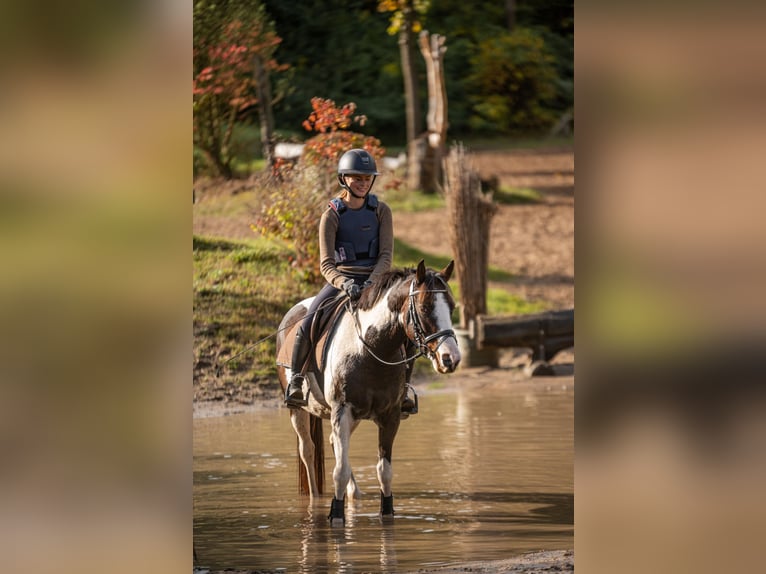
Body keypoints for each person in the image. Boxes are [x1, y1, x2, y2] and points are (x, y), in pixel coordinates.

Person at [284, 148, 417, 414]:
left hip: (377, 282)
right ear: (343, 179)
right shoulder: (331, 215)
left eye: (367, 178)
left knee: (408, 323)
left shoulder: (381, 211)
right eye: (356, 177)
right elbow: (326, 263)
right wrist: (345, 283)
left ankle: (404, 389)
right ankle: (297, 380)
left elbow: (386, 255)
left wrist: (372, 282)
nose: (363, 182)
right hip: (341, 281)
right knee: (309, 320)